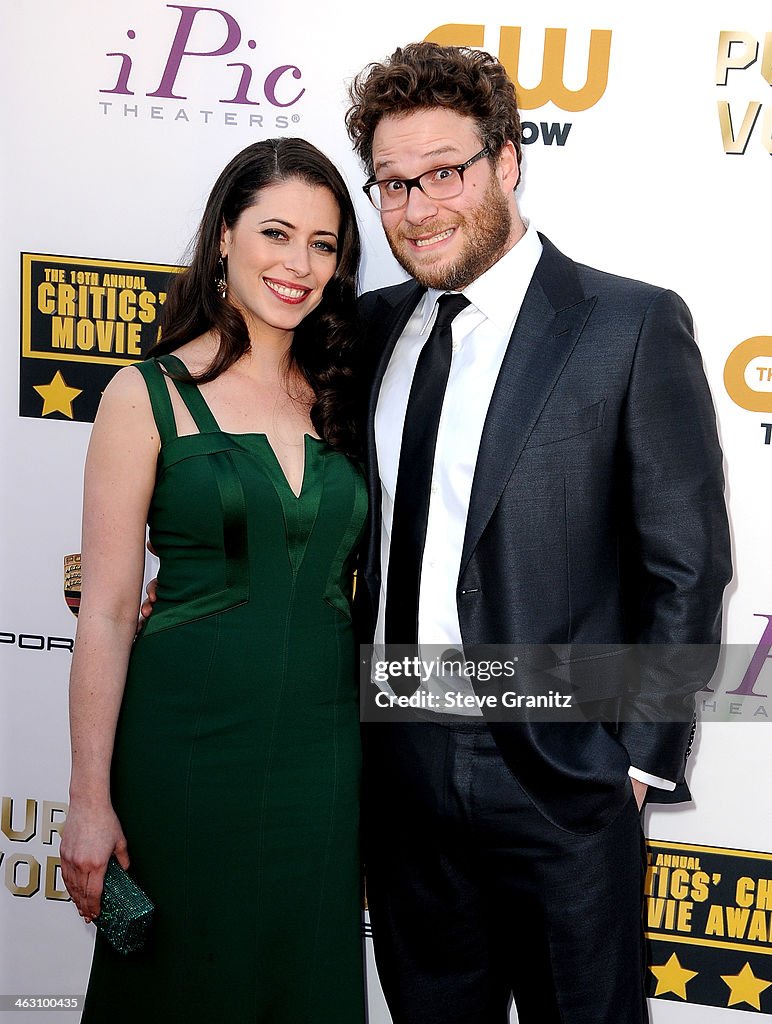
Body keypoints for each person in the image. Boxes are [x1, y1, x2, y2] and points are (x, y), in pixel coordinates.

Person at [345, 42, 732, 1024]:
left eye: (444, 172)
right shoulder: (366, 330)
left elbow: (685, 565)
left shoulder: (626, 323)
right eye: (391, 184)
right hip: (400, 772)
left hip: (562, 780)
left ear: (507, 160)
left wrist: (636, 766)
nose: (417, 207)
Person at [59, 138, 367, 1024]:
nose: (298, 264)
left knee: (300, 983)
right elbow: (110, 612)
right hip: (185, 751)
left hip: (324, 757)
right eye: (276, 232)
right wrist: (87, 801)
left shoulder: (347, 394)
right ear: (224, 237)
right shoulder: (144, 395)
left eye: (323, 243)